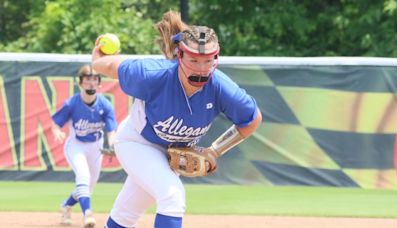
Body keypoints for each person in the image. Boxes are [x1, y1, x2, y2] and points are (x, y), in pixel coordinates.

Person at [91, 10, 262, 228]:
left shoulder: (220, 87)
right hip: (136, 143)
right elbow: (111, 66)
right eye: (194, 60)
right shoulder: (152, 74)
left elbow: (252, 119)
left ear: (216, 58)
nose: (201, 69)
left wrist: (214, 150)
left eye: (208, 61)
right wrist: (97, 59)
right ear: (179, 55)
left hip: (170, 157)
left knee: (125, 216)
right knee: (172, 197)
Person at [51, 64, 118, 228]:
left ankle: (66, 206)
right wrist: (56, 131)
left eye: (95, 79)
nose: (91, 83)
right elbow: (55, 123)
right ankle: (87, 214)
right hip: (76, 146)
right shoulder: (71, 103)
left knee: (89, 186)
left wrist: (113, 145)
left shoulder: (105, 104)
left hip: (96, 148)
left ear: (99, 83)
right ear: (80, 83)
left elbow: (111, 130)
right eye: (87, 79)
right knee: (83, 176)